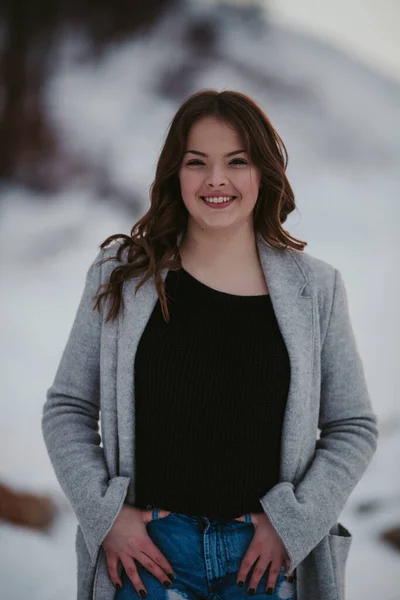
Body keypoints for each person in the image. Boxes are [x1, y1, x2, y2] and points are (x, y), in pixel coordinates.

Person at [42, 89, 379, 600]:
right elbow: (67, 408)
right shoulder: (123, 277)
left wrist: (293, 523)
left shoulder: (316, 290)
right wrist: (105, 517)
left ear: (262, 173)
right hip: (148, 560)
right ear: (175, 175)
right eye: (197, 162)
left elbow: (352, 426)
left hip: (265, 565)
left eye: (236, 162)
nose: (216, 180)